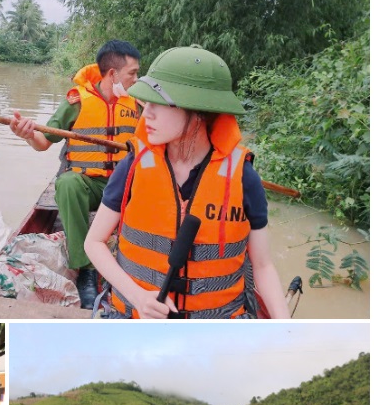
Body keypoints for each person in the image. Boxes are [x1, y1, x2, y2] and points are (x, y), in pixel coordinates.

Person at [84, 45, 289, 319]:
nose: (147, 116)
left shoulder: (243, 177)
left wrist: (285, 328)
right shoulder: (132, 167)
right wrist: (138, 297)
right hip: (137, 319)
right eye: (147, 104)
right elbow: (94, 243)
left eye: (159, 104)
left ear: (198, 113)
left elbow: (263, 266)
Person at [9, 40, 141, 308]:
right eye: (132, 73)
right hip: (90, 185)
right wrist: (26, 134)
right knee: (67, 183)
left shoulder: (138, 103)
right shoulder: (76, 101)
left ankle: (139, 258)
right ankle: (86, 269)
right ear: (113, 74)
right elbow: (43, 142)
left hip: (125, 185)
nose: (136, 79)